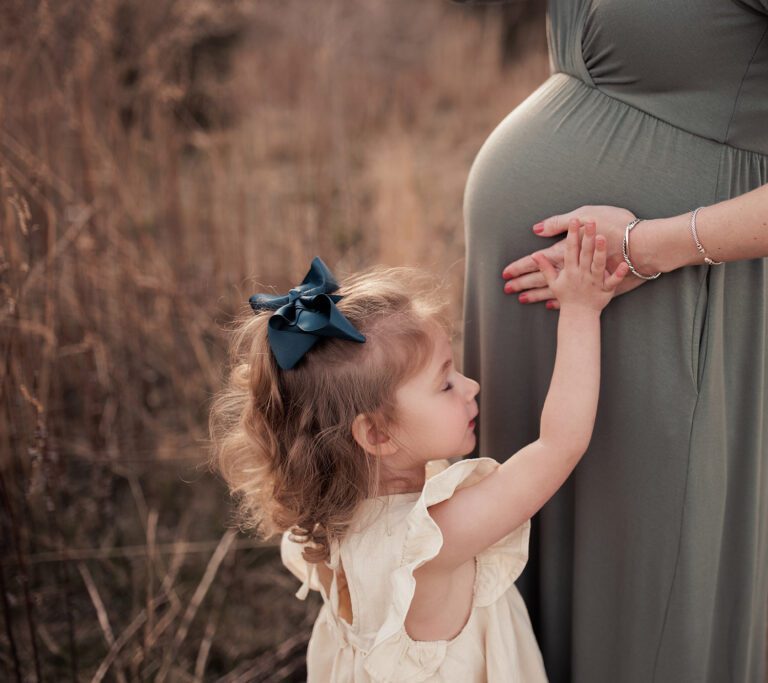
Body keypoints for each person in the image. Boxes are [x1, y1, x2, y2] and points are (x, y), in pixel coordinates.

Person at [453, 0, 768, 681]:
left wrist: (648, 247)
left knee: (639, 616)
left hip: (662, 305)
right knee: (512, 585)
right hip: (547, 315)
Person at [207, 237, 630, 681]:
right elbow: (559, 445)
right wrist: (582, 310)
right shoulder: (431, 539)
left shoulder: (328, 520)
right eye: (445, 384)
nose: (471, 387)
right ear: (376, 433)